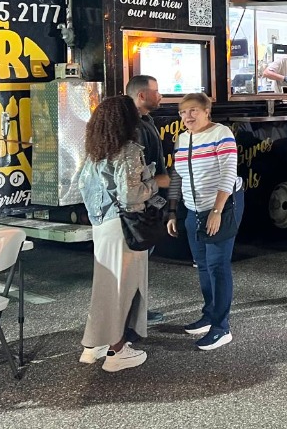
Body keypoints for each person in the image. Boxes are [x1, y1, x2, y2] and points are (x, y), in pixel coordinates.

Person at [78, 95, 170, 372]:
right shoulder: (128, 150)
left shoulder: (95, 152)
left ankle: (93, 346)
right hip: (123, 227)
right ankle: (117, 352)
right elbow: (131, 196)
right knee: (123, 288)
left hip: (101, 225)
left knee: (106, 285)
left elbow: (83, 188)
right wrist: (155, 183)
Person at [167, 92, 243, 351]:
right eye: (182, 112)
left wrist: (217, 211)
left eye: (193, 111)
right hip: (193, 210)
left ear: (206, 111)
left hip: (221, 207)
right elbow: (177, 175)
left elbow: (228, 174)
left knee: (218, 265)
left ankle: (222, 328)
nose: (187, 117)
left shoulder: (221, 134)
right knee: (202, 264)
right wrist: (173, 210)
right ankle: (210, 314)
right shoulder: (182, 139)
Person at [125, 75, 168, 324]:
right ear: (142, 96)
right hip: (140, 205)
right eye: (156, 91)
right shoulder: (134, 129)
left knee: (141, 261)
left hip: (148, 202)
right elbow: (135, 176)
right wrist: (156, 185)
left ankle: (136, 311)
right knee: (136, 261)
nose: (160, 95)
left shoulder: (145, 121)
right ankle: (134, 314)